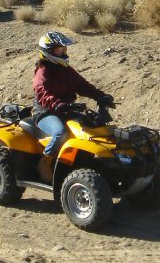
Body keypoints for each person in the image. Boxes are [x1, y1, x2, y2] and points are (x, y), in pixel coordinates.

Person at [32, 32, 112, 175]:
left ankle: (87, 163)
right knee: (60, 133)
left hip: (65, 110)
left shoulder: (66, 70)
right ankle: (45, 162)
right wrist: (56, 104)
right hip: (46, 112)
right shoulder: (42, 71)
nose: (63, 51)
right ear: (48, 51)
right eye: (59, 49)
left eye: (64, 49)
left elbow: (82, 85)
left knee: (91, 127)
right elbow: (41, 92)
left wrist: (100, 96)